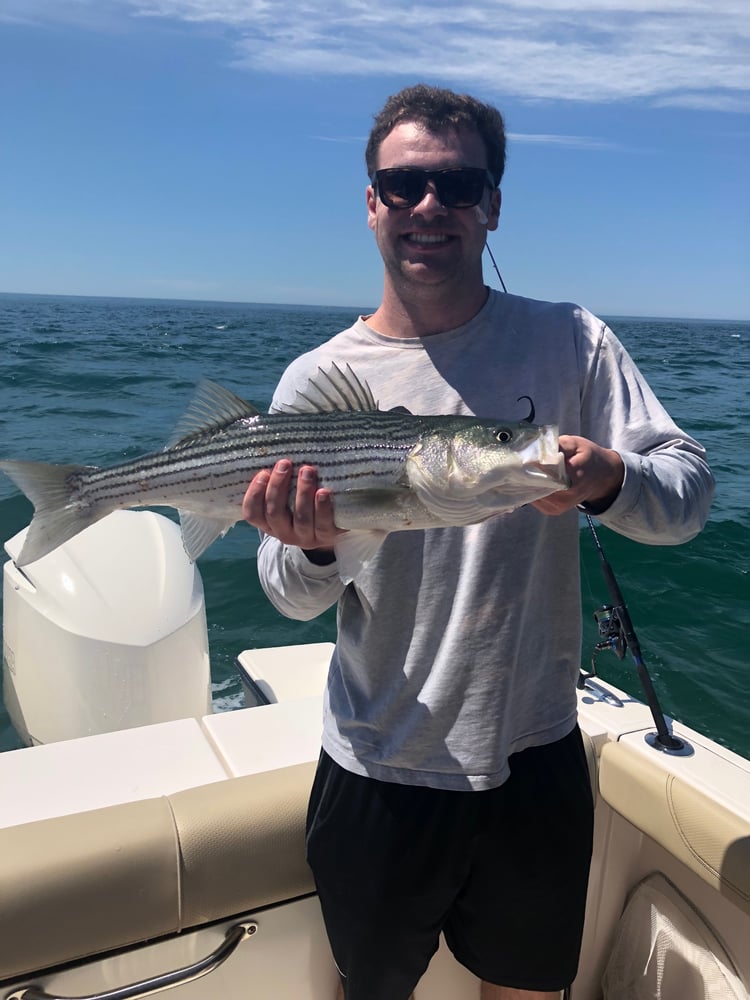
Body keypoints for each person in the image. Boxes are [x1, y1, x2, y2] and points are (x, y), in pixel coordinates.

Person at [242, 84, 714, 1000]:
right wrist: (316, 544)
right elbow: (286, 592)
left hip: (534, 752)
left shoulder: (569, 341)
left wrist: (612, 478)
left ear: (493, 203)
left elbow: (688, 497)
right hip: (378, 759)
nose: (431, 207)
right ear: (371, 201)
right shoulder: (319, 378)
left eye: (458, 185)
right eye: (405, 183)